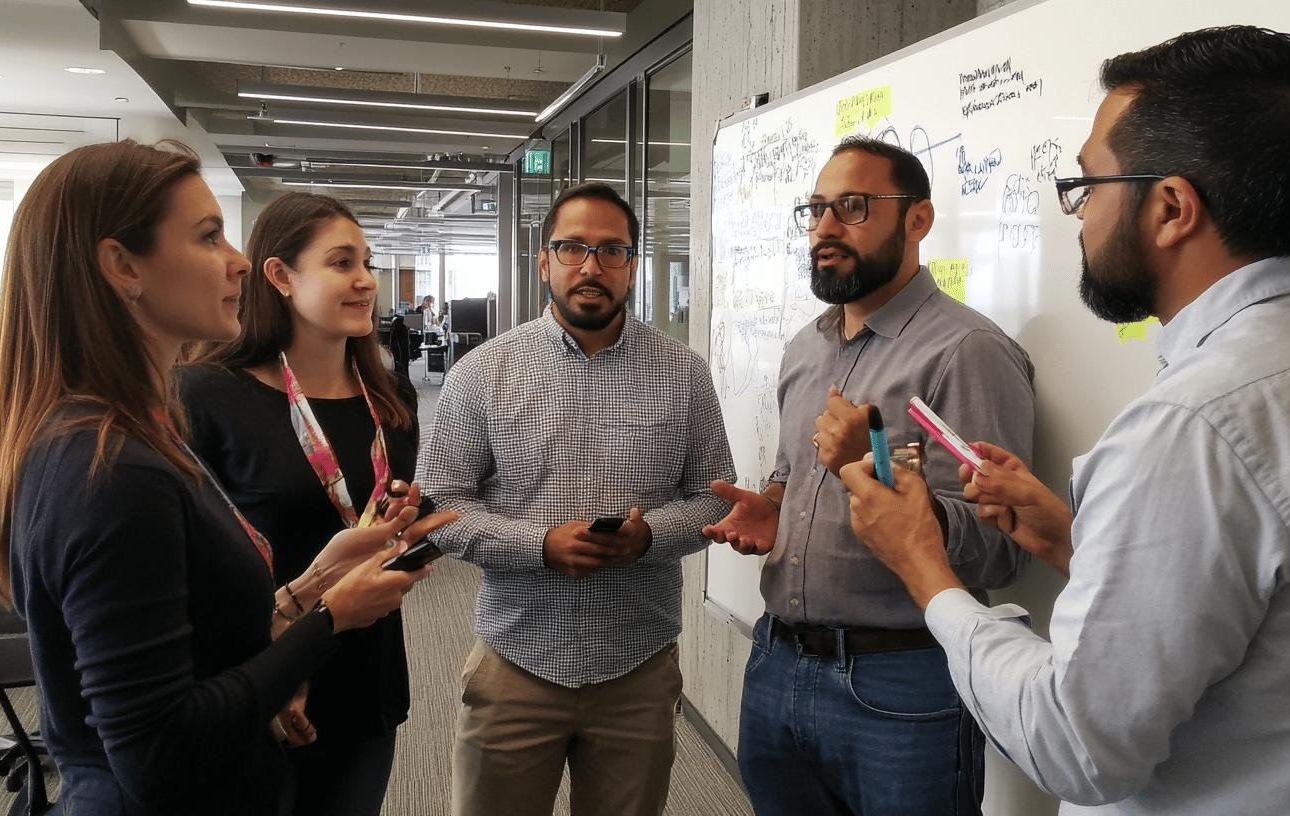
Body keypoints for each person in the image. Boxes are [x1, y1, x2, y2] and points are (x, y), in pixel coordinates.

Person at [838, 26, 1290, 816]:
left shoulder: (1195, 427)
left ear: (1172, 208)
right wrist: (1073, 540)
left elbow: (1075, 747)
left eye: (1088, 187)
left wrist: (924, 568)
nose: (1078, 218)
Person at [0, 140, 432, 815]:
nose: (238, 260)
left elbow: (200, 643)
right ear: (123, 265)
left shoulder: (126, 434)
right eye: (209, 236)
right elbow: (158, 755)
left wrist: (307, 586)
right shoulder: (112, 469)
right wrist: (329, 621)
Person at [702, 137, 1034, 815]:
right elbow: (791, 473)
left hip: (900, 681)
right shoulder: (805, 348)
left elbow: (1001, 545)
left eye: (852, 207)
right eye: (817, 209)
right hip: (778, 662)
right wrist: (773, 505)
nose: (825, 227)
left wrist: (871, 472)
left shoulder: (966, 353)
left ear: (918, 220)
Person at [417, 181, 736, 816]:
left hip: (637, 669)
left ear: (632, 264)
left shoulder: (683, 372)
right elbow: (440, 508)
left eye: (612, 250)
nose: (591, 266)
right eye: (571, 248)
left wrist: (649, 536)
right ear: (544, 261)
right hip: (516, 659)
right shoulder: (481, 373)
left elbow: (715, 498)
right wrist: (538, 546)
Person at [179, 192, 454, 816]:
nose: (365, 281)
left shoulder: (389, 398)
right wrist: (272, 671)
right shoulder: (207, 394)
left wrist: (410, 530)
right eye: (340, 262)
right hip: (255, 673)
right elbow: (191, 568)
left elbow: (370, 526)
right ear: (279, 276)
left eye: (368, 262)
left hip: (365, 672)